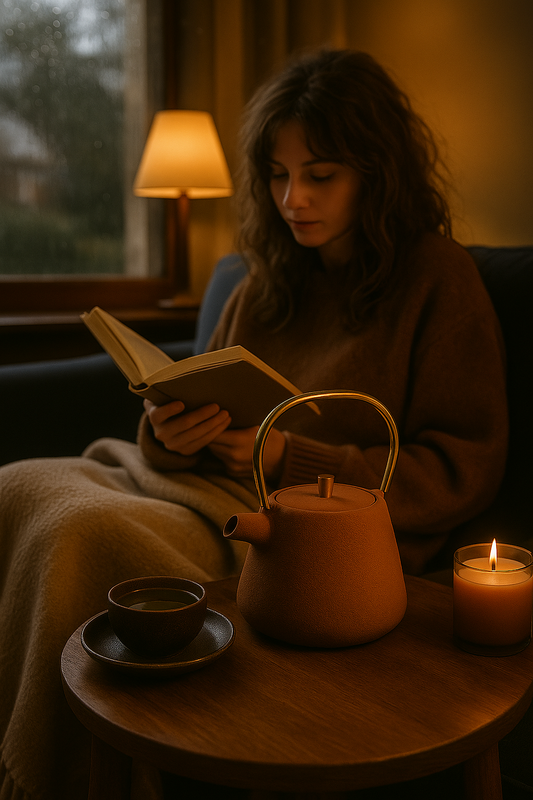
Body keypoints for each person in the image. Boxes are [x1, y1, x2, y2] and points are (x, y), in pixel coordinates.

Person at [0, 48, 507, 800]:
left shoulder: (437, 278)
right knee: (17, 485)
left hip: (290, 535)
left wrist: (285, 453)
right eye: (276, 174)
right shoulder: (263, 282)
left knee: (80, 530)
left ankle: (61, 780)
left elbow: (458, 468)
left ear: (377, 170)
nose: (292, 198)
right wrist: (168, 433)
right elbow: (190, 394)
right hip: (189, 485)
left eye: (319, 174)